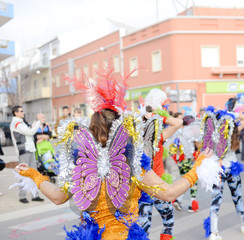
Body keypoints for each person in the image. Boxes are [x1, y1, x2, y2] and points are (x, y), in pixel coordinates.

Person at [14, 66, 220, 240]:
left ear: (91, 129)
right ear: (122, 128)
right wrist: (198, 167)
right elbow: (170, 193)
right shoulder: (132, 164)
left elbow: (58, 197)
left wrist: (34, 174)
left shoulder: (83, 165)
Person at [201, 105, 244, 240]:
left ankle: (214, 232)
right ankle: (243, 224)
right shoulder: (233, 131)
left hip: (217, 169)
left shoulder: (211, 134)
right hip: (232, 168)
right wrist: (231, 114)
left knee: (215, 201)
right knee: (237, 197)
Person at [138, 89, 182, 240]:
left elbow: (179, 122)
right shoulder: (158, 137)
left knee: (145, 228)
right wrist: (160, 114)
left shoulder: (144, 139)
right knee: (167, 222)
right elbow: (177, 122)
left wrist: (156, 113)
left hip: (144, 186)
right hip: (155, 185)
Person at [10, 106, 44, 203]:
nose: (23, 112)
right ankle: (22, 196)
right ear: (15, 113)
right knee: (23, 175)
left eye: (23, 111)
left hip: (30, 149)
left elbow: (29, 130)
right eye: (21, 111)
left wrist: (36, 123)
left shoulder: (21, 122)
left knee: (34, 173)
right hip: (24, 151)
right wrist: (38, 122)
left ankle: (35, 195)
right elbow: (30, 132)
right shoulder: (16, 123)